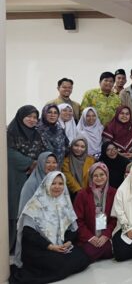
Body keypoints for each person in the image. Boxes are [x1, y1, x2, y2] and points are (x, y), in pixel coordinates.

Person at [10, 172, 90, 284]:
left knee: (83, 257)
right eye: (53, 183)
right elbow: (29, 233)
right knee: (60, 264)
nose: (57, 187)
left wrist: (67, 242)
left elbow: (71, 228)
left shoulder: (64, 202)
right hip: (38, 248)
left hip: (59, 245)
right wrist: (50, 246)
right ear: (47, 184)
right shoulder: (35, 204)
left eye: (60, 184)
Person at [7, 105, 46, 250]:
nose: (32, 120)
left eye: (35, 117)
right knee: (15, 207)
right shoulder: (10, 133)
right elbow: (8, 153)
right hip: (15, 177)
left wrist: (39, 162)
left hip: (33, 177)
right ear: (21, 117)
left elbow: (45, 151)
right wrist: (30, 162)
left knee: (32, 208)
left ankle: (28, 244)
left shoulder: (37, 134)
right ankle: (11, 244)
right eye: (29, 116)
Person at [73, 163, 117, 261]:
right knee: (90, 250)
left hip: (106, 236)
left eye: (102, 174)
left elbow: (115, 219)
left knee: (112, 248)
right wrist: (90, 237)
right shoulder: (82, 194)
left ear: (107, 175)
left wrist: (106, 235)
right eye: (95, 175)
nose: (99, 178)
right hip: (88, 237)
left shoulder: (114, 193)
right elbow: (78, 220)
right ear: (91, 177)